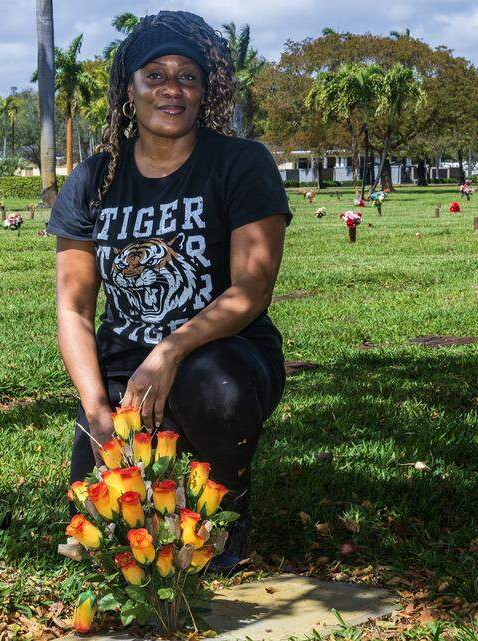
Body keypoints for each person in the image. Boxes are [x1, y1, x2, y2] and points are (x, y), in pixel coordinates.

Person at [46, 10, 290, 573]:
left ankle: (229, 510)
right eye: (154, 75)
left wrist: (170, 351)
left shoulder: (240, 163)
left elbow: (252, 288)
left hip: (223, 352)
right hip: (121, 365)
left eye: (188, 76)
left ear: (206, 91)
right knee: (106, 532)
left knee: (217, 390)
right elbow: (74, 308)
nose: (171, 89)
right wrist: (97, 411)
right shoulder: (93, 178)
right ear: (128, 89)